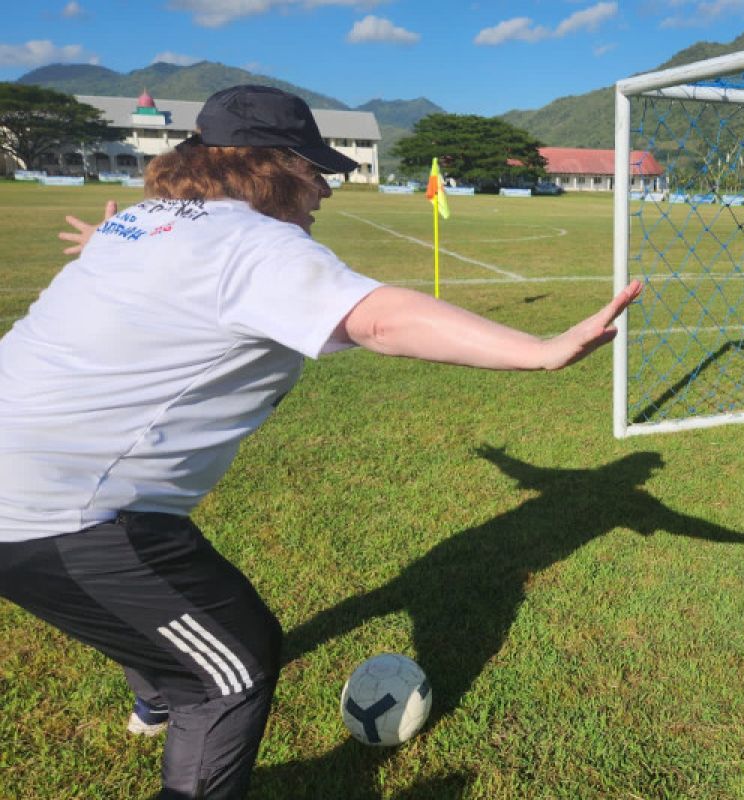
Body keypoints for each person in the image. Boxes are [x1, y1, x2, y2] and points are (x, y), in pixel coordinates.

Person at [0, 85, 642, 799]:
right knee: (233, 667)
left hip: (31, 480)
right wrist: (540, 350)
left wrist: (102, 242)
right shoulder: (255, 246)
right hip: (57, 510)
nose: (326, 188)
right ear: (270, 166)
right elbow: (380, 320)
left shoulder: (149, 223)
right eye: (315, 169)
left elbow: (145, 258)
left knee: (161, 591)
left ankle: (155, 697)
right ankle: (180, 699)